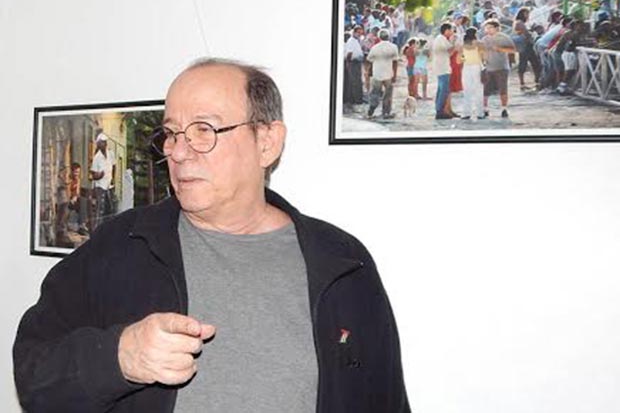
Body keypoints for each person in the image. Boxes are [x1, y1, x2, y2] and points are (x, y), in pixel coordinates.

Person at [13, 58, 410, 413]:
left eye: (203, 130)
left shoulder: (342, 262)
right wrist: (119, 357)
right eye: (171, 133)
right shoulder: (121, 243)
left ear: (267, 142)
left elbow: (385, 399)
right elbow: (33, 376)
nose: (179, 152)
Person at [481, 19, 516, 118]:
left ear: (496, 28)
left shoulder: (504, 38)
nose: (487, 30)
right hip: (488, 67)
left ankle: (504, 108)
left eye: (490, 27)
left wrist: (500, 49)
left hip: (502, 67)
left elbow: (513, 49)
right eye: (486, 28)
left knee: (503, 89)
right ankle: (485, 108)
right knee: (486, 89)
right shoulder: (484, 39)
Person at [367, 28, 400, 119]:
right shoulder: (393, 47)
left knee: (375, 92)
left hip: (377, 73)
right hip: (388, 73)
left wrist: (369, 72)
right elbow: (395, 62)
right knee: (388, 94)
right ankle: (386, 112)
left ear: (379, 37)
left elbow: (370, 60)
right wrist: (395, 75)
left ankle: (371, 109)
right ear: (388, 37)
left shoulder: (375, 47)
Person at [90, 132, 117, 230]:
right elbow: (92, 174)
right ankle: (97, 229)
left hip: (109, 185)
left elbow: (114, 166)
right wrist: (99, 175)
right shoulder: (97, 157)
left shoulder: (111, 154)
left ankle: (110, 228)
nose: (104, 144)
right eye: (102, 142)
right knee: (100, 209)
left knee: (111, 207)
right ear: (98, 144)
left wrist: (113, 178)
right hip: (100, 186)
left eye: (105, 142)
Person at [460, 27, 486, 120]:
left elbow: (459, 60)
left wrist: (465, 58)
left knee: (467, 91)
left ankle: (466, 112)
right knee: (479, 90)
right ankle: (480, 112)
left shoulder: (462, 45)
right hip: (477, 66)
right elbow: (483, 57)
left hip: (466, 67)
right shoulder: (480, 44)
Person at [432, 22, 456, 119]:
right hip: (442, 67)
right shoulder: (441, 39)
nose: (452, 32)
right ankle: (440, 111)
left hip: (442, 66)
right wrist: (454, 44)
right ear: (446, 30)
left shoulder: (441, 39)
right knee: (443, 90)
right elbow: (449, 51)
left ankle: (440, 109)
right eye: (450, 30)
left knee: (441, 89)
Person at [343, 25, 365, 108]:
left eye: (360, 33)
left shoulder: (356, 41)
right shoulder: (351, 41)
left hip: (357, 62)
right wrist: (348, 63)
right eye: (358, 33)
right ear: (354, 32)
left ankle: (356, 98)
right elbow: (349, 53)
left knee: (357, 80)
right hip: (353, 63)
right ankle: (356, 100)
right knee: (354, 81)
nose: (359, 34)